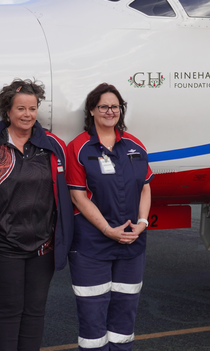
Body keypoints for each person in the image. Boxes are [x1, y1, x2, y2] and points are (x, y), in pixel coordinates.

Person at [0, 79, 74, 351]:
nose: (27, 114)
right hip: (3, 245)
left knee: (34, 312)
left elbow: (64, 195)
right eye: (20, 108)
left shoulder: (51, 145)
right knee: (8, 311)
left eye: (32, 108)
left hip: (43, 246)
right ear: (8, 111)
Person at [65, 83, 153, 351]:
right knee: (92, 320)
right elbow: (78, 196)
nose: (109, 111)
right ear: (92, 110)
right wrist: (107, 230)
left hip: (131, 243)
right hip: (92, 245)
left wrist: (142, 224)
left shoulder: (134, 145)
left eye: (115, 106)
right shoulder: (79, 147)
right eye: (103, 106)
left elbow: (146, 187)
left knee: (125, 319)